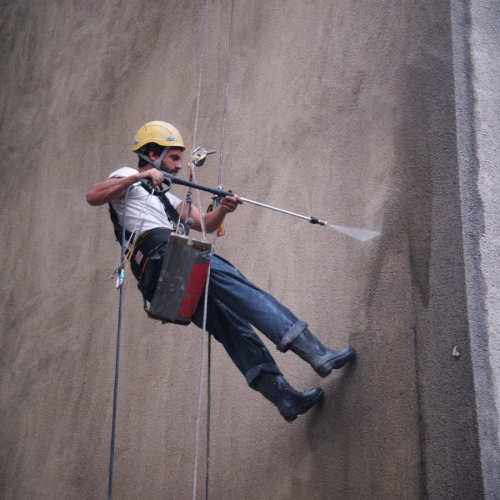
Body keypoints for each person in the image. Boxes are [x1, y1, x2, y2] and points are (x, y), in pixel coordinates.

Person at [86, 121, 356, 422]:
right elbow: (95, 196)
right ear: (152, 153)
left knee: (232, 325)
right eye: (173, 157)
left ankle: (283, 398)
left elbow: (203, 222)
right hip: (165, 256)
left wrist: (224, 209)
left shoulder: (163, 196)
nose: (177, 165)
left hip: (160, 279)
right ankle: (316, 352)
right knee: (244, 292)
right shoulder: (127, 176)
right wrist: (140, 175)